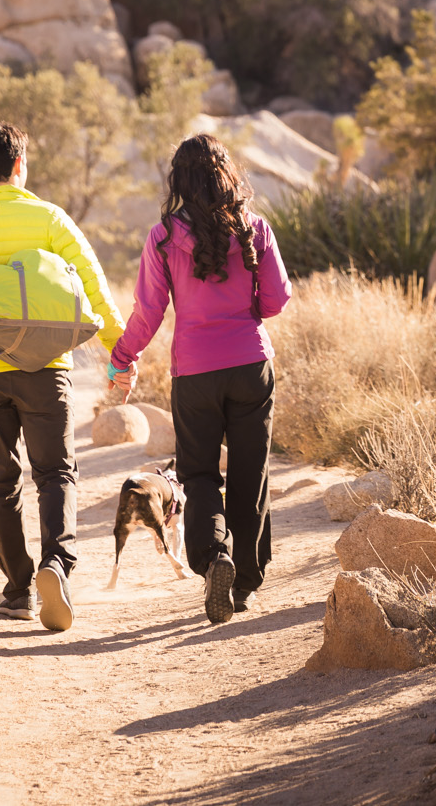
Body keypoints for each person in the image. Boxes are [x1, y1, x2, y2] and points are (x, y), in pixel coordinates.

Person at [0, 121, 124, 632]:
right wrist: (119, 351)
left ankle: (17, 591)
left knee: (0, 484)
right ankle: (55, 567)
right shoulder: (51, 219)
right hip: (45, 368)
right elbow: (93, 285)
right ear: (20, 164)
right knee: (56, 474)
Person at [110, 134, 291, 624]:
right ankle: (247, 582)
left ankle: (215, 558)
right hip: (252, 366)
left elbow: (148, 313)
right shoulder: (254, 227)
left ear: (179, 181)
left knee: (201, 474)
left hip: (194, 372)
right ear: (226, 174)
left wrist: (122, 357)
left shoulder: (164, 236)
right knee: (251, 473)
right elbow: (276, 301)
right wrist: (243, 313)